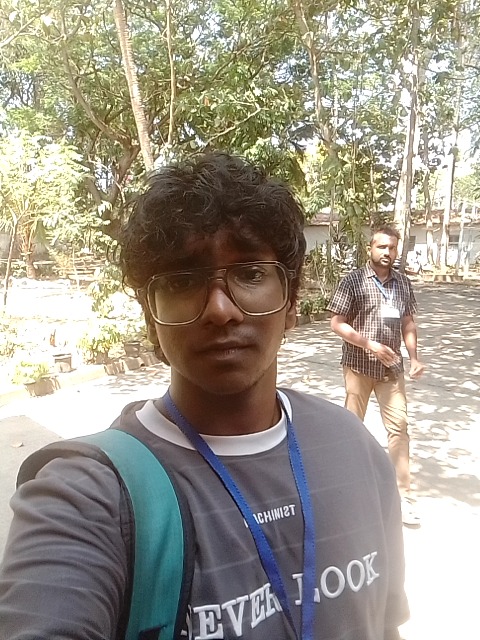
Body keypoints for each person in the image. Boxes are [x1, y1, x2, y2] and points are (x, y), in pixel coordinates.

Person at [0, 154, 409, 640]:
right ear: (151, 316)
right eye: (182, 280)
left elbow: (383, 626)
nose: (220, 309)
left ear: (291, 300)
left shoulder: (353, 447)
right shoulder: (90, 495)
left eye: (250, 273)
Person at [327, 225, 425, 527]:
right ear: (370, 248)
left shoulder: (402, 283)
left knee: (399, 430)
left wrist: (414, 357)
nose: (387, 252)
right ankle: (345, 491)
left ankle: (403, 498)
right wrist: (369, 345)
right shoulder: (353, 281)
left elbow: (408, 322)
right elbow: (336, 323)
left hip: (391, 369)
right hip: (358, 366)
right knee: (350, 427)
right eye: (382, 247)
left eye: (392, 248)